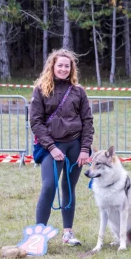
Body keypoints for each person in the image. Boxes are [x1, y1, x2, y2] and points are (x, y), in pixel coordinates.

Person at [30, 49, 94, 246]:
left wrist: (85, 149)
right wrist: (51, 147)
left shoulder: (78, 91)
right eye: (60, 65)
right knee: (49, 186)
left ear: (71, 68)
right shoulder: (41, 89)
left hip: (75, 145)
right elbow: (36, 122)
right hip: (52, 146)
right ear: (52, 66)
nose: (64, 69)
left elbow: (87, 121)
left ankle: (68, 233)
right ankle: (38, 235)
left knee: (69, 187)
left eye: (67, 66)